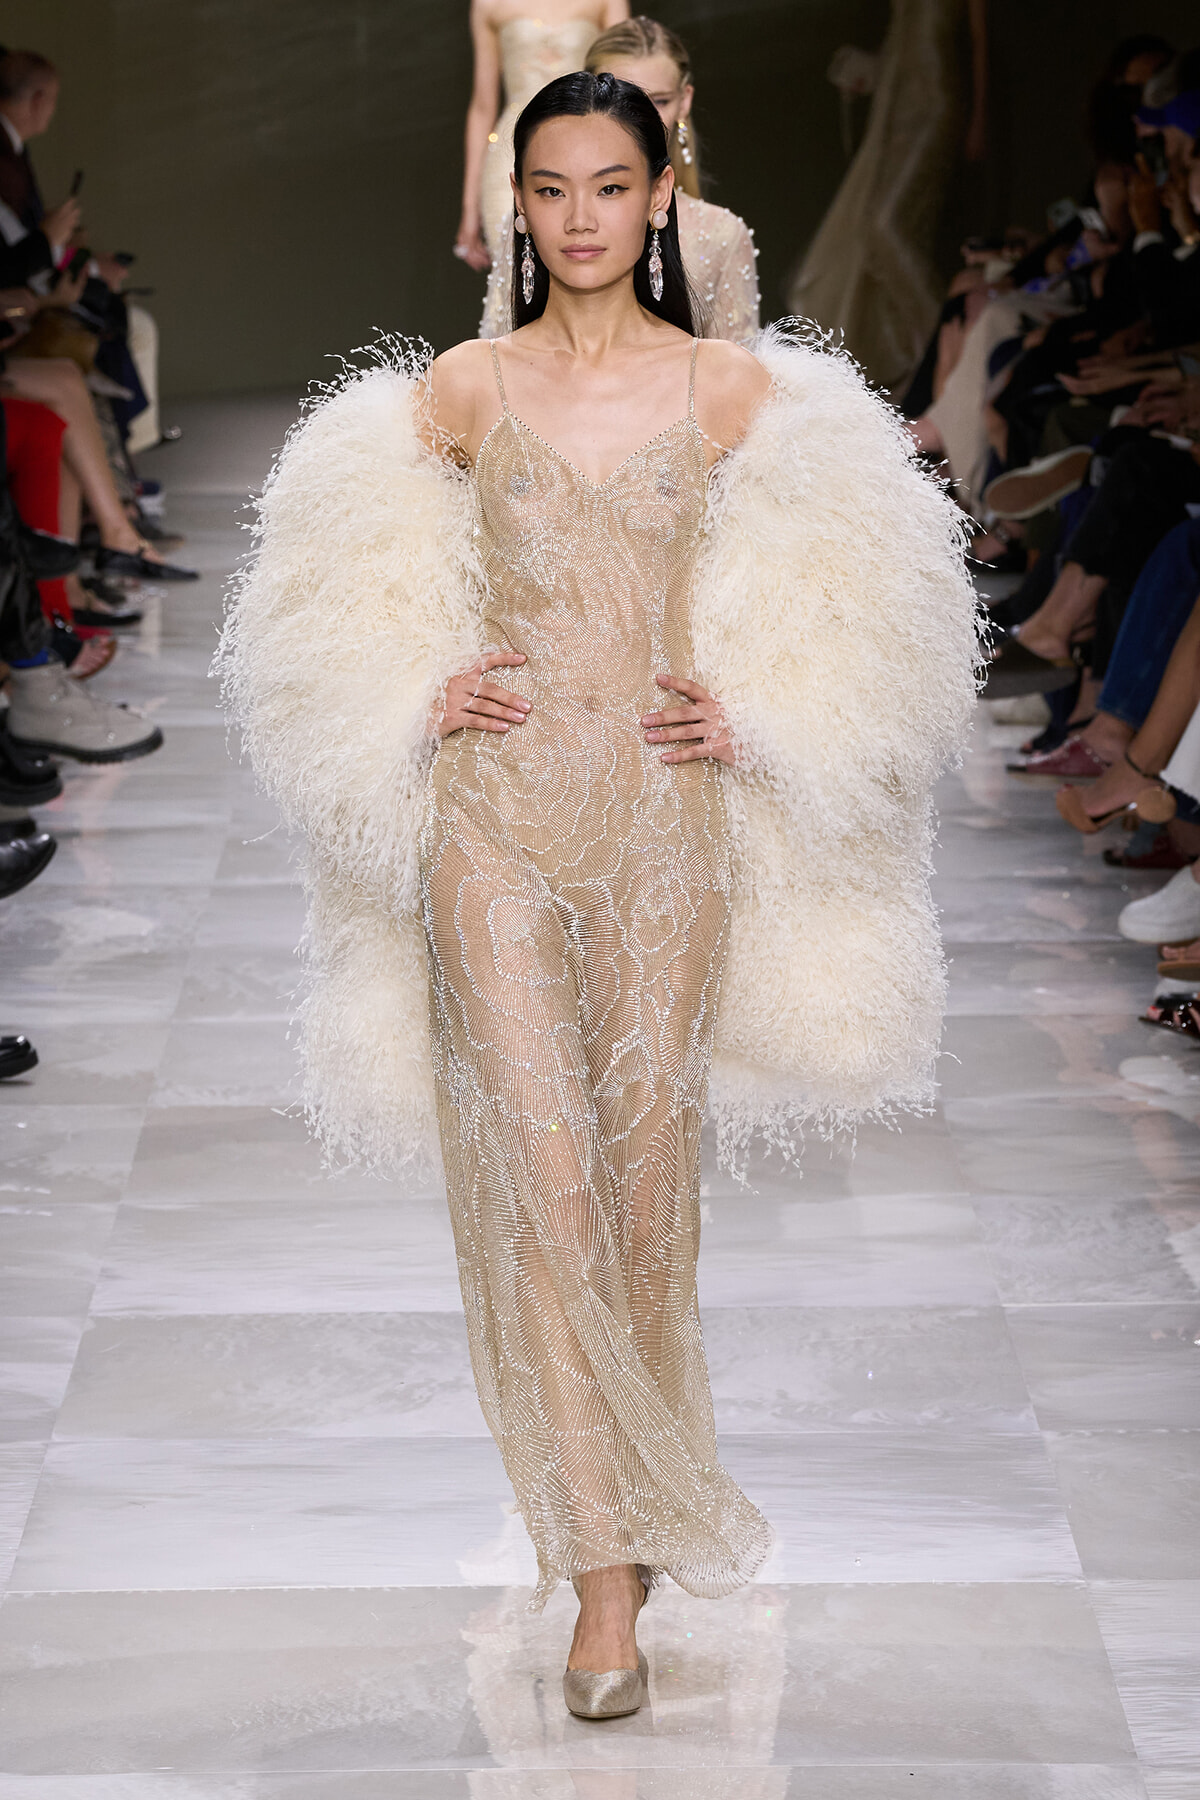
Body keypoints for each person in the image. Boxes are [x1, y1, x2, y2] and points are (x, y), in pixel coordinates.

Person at [223, 72, 977, 1719]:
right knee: (541, 1190)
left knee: (644, 1197)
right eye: (550, 189)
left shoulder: (729, 393)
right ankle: (603, 1581)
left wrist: (767, 721)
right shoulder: (456, 388)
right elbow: (332, 598)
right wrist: (405, 699)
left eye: (609, 186)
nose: (579, 219)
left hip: (661, 829)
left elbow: (869, 619)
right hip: (490, 829)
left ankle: (626, 1509)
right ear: (516, 207)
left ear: (661, 199)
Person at [481, 14, 760, 342]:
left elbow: (734, 371)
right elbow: (498, 343)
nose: (642, 117)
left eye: (658, 100)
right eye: (621, 95)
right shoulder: (534, 223)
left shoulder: (722, 234)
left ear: (685, 100)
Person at [789, 0, 989, 391]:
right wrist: (872, 67)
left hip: (937, 99)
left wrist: (980, 116)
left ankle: (952, 358)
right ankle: (924, 360)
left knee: (887, 228)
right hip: (897, 104)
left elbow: (978, 40)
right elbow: (908, 38)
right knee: (875, 231)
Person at [455, 0, 629, 271]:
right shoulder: (488, 4)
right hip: (510, 156)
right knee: (516, 277)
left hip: (585, 149)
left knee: (582, 270)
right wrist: (469, 207)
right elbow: (482, 106)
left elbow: (623, 89)